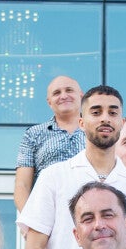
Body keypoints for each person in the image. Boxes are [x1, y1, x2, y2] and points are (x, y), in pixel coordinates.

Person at [17, 85, 126, 249]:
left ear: (121, 123)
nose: (105, 118)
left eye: (113, 113)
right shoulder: (53, 177)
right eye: (96, 112)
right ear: (81, 122)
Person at [13, 75, 86, 211]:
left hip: (90, 212)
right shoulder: (33, 134)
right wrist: (29, 221)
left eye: (69, 90)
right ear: (49, 102)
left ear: (81, 95)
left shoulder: (96, 131)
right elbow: (22, 185)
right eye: (56, 93)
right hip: (47, 212)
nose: (63, 96)